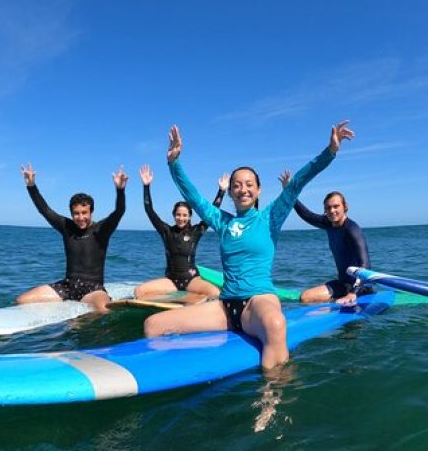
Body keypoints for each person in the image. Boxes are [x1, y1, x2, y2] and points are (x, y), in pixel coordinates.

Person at [143, 120, 354, 372]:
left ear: (258, 190)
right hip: (225, 306)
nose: (243, 189)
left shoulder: (270, 217)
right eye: (237, 185)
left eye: (249, 184)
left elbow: (298, 181)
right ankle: (169, 376)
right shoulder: (222, 221)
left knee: (276, 324)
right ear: (230, 192)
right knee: (153, 325)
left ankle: (270, 403)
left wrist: (329, 152)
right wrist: (174, 163)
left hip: (258, 302)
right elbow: (194, 199)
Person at [17, 162, 128, 312]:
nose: (80, 217)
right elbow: (44, 210)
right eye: (76, 213)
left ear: (91, 212)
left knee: (103, 308)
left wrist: (120, 190)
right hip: (68, 286)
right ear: (71, 213)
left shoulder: (101, 230)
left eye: (84, 213)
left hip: (93, 289)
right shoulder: (66, 227)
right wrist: (31, 185)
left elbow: (119, 211)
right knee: (23, 300)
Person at [135, 165, 228, 299]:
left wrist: (221, 191)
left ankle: (196, 310)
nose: (181, 218)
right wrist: (146, 186)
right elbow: (149, 211)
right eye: (178, 215)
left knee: (214, 293)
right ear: (174, 215)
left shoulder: (196, 231)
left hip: (192, 280)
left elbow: (211, 213)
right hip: (171, 280)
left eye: (184, 215)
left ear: (189, 216)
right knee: (139, 291)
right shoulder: (166, 231)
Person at [277, 177, 371, 304]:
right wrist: (290, 192)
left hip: (358, 288)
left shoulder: (352, 230)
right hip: (343, 284)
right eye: (328, 208)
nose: (332, 211)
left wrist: (353, 293)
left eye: (336, 206)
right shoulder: (328, 223)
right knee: (306, 297)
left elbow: (365, 265)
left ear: (345, 206)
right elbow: (307, 215)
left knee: (306, 297)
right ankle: (332, 303)